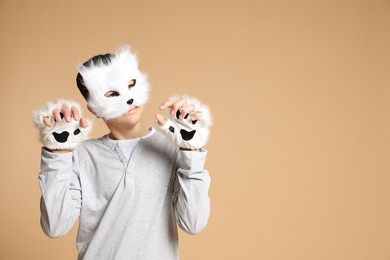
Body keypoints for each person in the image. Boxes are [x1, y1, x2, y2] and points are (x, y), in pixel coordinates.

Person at [34, 46, 213, 260]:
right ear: (93, 108)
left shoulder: (171, 149)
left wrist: (190, 151)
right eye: (111, 94)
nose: (128, 99)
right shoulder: (82, 155)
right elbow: (55, 227)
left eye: (131, 84)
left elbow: (193, 223)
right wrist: (58, 152)